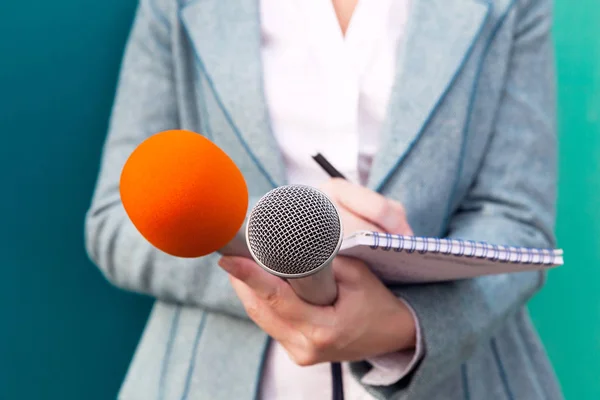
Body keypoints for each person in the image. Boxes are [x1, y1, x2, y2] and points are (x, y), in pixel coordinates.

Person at [84, 0, 563, 398]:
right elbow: (117, 219)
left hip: (459, 379)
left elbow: (518, 221)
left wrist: (405, 327)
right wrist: (287, 235)